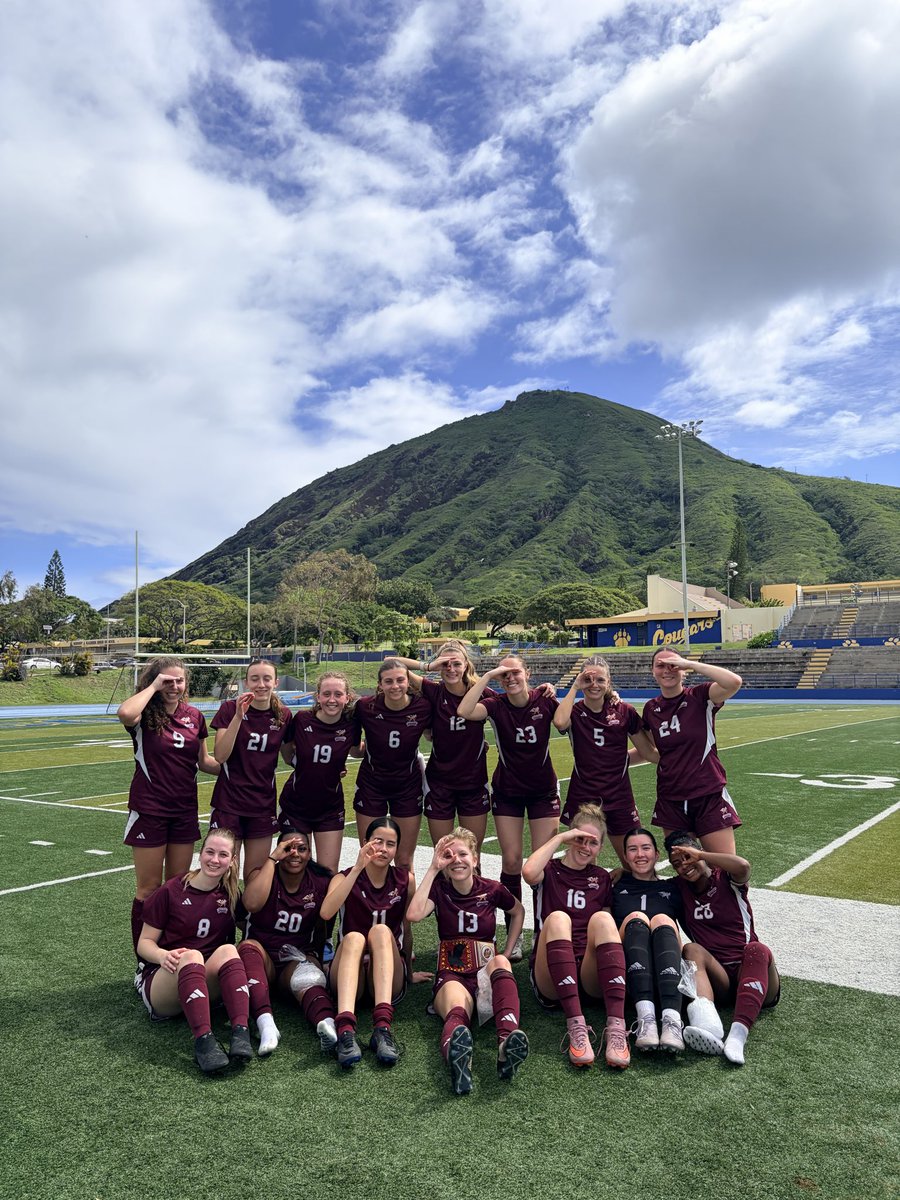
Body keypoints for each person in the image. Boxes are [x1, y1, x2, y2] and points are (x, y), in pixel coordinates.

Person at [407, 828, 529, 1095]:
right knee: (456, 1008)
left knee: (500, 962)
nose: (457, 860)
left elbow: (518, 911)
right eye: (449, 856)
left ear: (475, 859)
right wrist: (432, 867)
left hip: (485, 972)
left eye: (463, 854)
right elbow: (414, 914)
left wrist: (508, 951)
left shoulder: (492, 889)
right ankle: (460, 1060)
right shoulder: (439, 889)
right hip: (452, 972)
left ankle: (506, 1045)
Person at [457, 652, 561, 960]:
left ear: (527, 672)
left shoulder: (545, 700)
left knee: (542, 866)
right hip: (509, 791)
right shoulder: (495, 704)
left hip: (543, 791)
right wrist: (489, 677)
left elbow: (570, 719)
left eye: (515, 672)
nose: (511, 678)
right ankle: (513, 934)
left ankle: (544, 932)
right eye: (505, 675)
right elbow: (465, 710)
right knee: (512, 861)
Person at [117, 657, 220, 956]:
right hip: (150, 810)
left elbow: (205, 763)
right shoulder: (144, 713)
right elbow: (125, 712)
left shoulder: (194, 716)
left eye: (179, 681)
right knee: (148, 890)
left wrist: (244, 766)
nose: (174, 686)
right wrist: (153, 686)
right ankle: (144, 959)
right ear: (156, 681)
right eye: (167, 681)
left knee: (178, 888)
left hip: (184, 810)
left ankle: (173, 953)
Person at [135, 828, 253, 1073]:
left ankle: (241, 1032)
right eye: (209, 852)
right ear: (200, 854)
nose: (214, 860)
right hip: (164, 980)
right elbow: (144, 943)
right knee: (192, 955)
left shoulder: (230, 894)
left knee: (229, 951)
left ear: (232, 861)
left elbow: (252, 926)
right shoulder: (171, 890)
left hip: (202, 982)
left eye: (222, 855)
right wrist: (162, 955)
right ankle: (204, 1041)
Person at [523, 804, 631, 1070]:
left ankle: (616, 1028)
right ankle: (575, 1025)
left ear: (601, 848)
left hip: (589, 975)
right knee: (559, 918)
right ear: (571, 838)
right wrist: (559, 837)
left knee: (604, 919)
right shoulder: (549, 870)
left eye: (593, 843)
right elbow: (527, 873)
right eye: (580, 838)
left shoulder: (602, 878)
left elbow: (604, 933)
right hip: (551, 977)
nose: (585, 847)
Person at [320, 817, 430, 1069]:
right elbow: (326, 913)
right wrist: (358, 867)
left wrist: (410, 974)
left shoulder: (405, 880)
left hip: (388, 975)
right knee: (356, 936)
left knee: (381, 931)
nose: (382, 849)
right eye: (377, 841)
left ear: (397, 849)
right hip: (351, 977)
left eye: (390, 844)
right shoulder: (344, 877)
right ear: (364, 842)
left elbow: (407, 931)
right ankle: (346, 1030)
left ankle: (382, 1027)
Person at [666, 831, 781, 1065]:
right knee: (692, 949)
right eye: (676, 864)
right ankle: (707, 1025)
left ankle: (738, 1035)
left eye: (688, 858)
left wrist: (699, 854)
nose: (684, 867)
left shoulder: (726, 878)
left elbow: (743, 866)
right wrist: (619, 874)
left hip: (751, 971)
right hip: (720, 980)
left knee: (757, 949)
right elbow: (644, 888)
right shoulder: (678, 888)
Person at [236, 828, 336, 1056]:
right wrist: (272, 859)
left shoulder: (319, 882)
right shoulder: (264, 874)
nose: (295, 854)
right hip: (263, 960)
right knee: (247, 947)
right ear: (278, 851)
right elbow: (248, 907)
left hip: (295, 958)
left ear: (310, 854)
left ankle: (327, 1023)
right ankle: (266, 1024)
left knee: (310, 976)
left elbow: (325, 927)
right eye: (288, 848)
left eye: (302, 849)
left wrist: (321, 958)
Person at [553, 655, 658, 866]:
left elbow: (648, 751)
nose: (594, 685)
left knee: (631, 861)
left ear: (608, 682)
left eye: (600, 680)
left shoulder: (624, 711)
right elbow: (559, 722)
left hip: (619, 795)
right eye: (588, 679)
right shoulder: (574, 711)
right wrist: (574, 687)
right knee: (584, 861)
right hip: (584, 794)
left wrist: (675, 761)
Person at [390, 642, 491, 851]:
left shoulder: (481, 692)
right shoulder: (434, 691)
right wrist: (428, 666)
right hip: (440, 784)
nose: (451, 669)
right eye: (445, 664)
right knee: (442, 851)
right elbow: (391, 663)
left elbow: (515, 704)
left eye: (456, 664)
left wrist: (547, 688)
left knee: (472, 853)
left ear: (466, 665)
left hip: (473, 782)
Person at [641, 649, 743, 855]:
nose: (667, 670)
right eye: (660, 665)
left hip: (707, 793)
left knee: (724, 866)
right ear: (652, 671)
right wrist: (616, 761)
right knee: (686, 868)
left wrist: (690, 663)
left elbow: (733, 682)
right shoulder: (651, 709)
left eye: (673, 665)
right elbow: (652, 748)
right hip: (671, 797)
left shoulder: (700, 696)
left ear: (683, 670)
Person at [210, 658, 292, 882]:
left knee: (255, 875)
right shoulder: (229, 708)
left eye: (267, 679)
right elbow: (220, 755)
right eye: (255, 679)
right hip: (229, 802)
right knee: (225, 873)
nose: (261, 684)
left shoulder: (283, 715)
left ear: (275, 682)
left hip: (262, 804)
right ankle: (224, 916)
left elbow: (290, 756)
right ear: (246, 682)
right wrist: (239, 716)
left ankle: (248, 918)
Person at [350, 659, 431, 871]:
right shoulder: (365, 706)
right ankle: (371, 904)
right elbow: (353, 746)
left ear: (408, 682)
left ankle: (405, 904)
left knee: (404, 860)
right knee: (370, 855)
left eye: (400, 680)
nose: (395, 686)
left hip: (407, 785)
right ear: (380, 685)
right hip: (372, 784)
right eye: (388, 681)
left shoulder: (422, 706)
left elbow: (435, 735)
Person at [611, 827, 685, 1052]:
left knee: (661, 919)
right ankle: (646, 1019)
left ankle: (672, 1022)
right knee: (637, 918)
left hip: (666, 966)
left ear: (657, 855)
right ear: (625, 857)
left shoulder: (673, 887)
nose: (640, 854)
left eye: (646, 848)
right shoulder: (614, 886)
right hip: (627, 968)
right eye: (632, 849)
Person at [278, 672, 357, 874]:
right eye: (326, 694)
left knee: (327, 871)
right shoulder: (303, 719)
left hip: (330, 808)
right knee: (294, 866)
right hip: (296, 805)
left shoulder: (351, 724)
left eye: (338, 694)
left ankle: (324, 907)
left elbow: (357, 750)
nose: (332, 699)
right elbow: (287, 753)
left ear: (347, 697)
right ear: (318, 696)